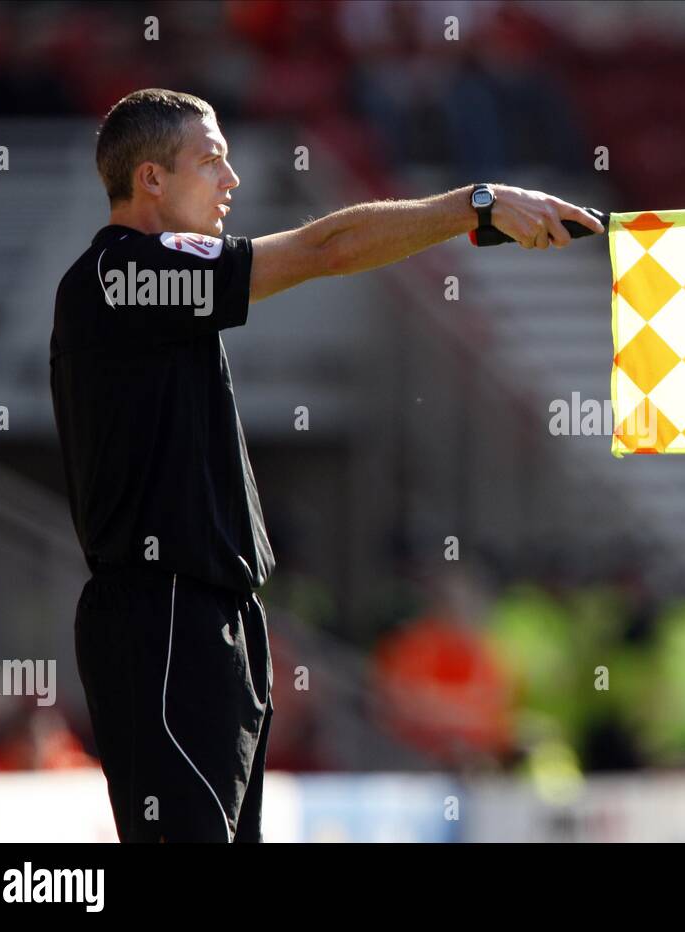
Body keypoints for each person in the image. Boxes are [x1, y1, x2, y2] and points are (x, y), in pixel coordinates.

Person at [50, 87, 603, 843]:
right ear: (150, 178)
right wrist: (475, 206)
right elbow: (323, 250)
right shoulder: (122, 274)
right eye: (210, 161)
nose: (231, 180)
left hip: (209, 618)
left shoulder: (157, 286)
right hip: (165, 617)